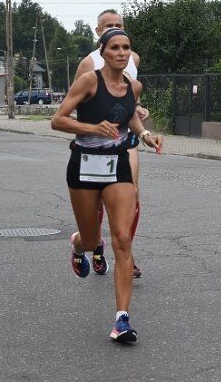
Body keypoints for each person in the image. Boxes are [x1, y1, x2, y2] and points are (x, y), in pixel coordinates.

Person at [51, 28, 163, 343]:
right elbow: (57, 119)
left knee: (123, 239)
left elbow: (130, 118)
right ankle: (78, 245)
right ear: (103, 52)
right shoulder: (89, 81)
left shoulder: (134, 86)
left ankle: (122, 320)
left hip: (118, 164)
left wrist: (145, 136)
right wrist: (90, 127)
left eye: (126, 47)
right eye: (114, 47)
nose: (122, 52)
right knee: (90, 240)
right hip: (84, 164)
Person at [73, 9, 149, 278]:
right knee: (96, 204)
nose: (114, 29)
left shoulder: (132, 58)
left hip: (126, 141)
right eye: (108, 26)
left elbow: (131, 100)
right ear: (98, 32)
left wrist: (138, 111)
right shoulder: (87, 63)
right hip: (97, 145)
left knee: (133, 196)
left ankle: (127, 255)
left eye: (119, 25)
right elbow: (78, 104)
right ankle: (92, 246)